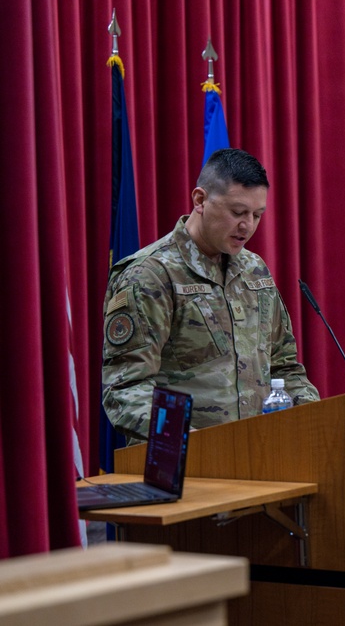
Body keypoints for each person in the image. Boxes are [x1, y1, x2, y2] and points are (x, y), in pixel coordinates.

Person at [102, 148, 319, 442]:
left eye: (257, 215)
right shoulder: (150, 274)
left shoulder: (254, 270)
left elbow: (284, 366)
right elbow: (126, 388)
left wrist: (317, 422)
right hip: (184, 465)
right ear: (200, 200)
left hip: (261, 458)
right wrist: (187, 439)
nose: (247, 226)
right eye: (237, 212)